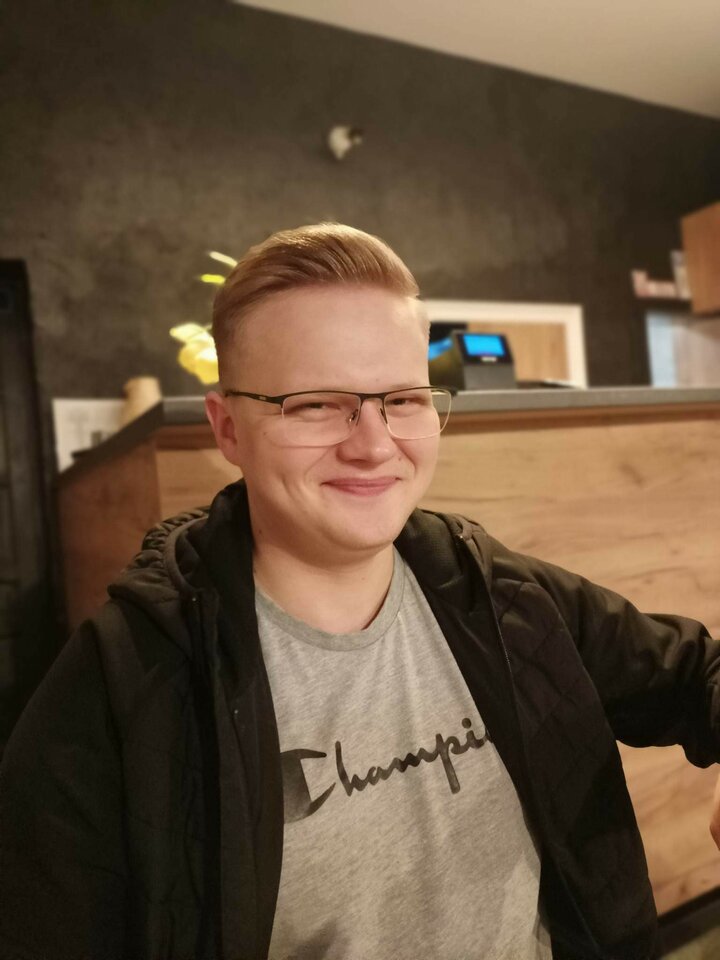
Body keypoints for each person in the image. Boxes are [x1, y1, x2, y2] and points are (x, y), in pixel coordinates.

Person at [1, 223, 719, 960]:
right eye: (314, 404)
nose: (374, 445)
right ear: (228, 429)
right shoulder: (124, 686)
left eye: (403, 399)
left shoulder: (500, 596)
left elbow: (697, 671)